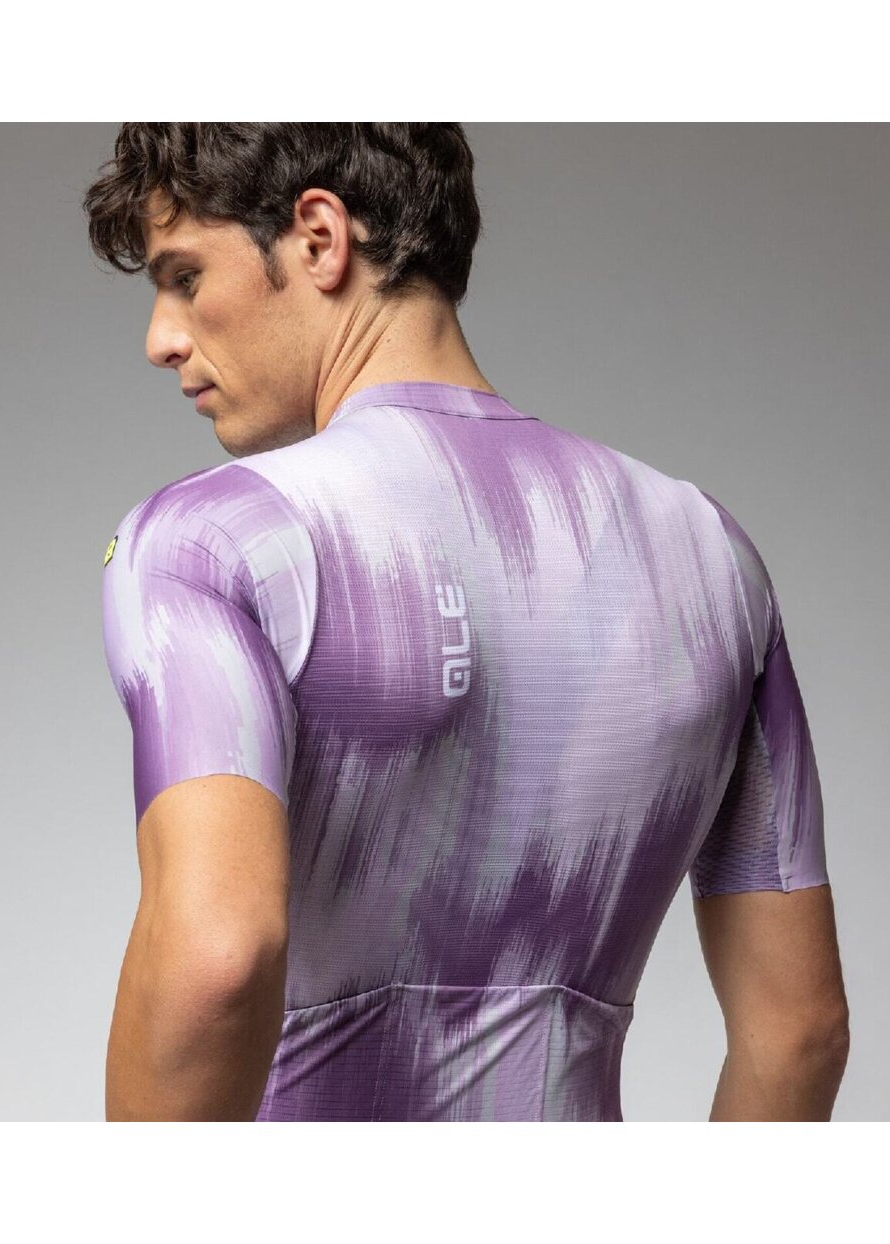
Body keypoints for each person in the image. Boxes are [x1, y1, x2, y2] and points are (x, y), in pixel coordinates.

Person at [84, 123, 850, 1121]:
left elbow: (216, 960)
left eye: (185, 278)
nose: (161, 338)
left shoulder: (215, 540)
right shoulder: (710, 551)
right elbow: (800, 1029)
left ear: (319, 237)